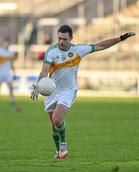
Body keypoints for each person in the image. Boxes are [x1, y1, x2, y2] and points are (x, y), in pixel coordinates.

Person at [31, 25, 135, 159]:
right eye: (59, 38)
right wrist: (38, 85)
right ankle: (59, 151)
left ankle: (63, 143)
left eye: (65, 39)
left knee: (57, 119)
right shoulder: (51, 51)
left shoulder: (78, 50)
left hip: (69, 90)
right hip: (52, 90)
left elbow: (100, 46)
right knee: (53, 126)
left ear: (71, 38)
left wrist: (120, 38)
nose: (61, 42)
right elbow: (44, 70)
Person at [0, 38, 21, 112]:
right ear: (3, 43)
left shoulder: (10, 53)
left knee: (11, 90)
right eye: (6, 43)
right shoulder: (1, 51)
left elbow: (11, 63)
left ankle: (14, 107)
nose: (7, 44)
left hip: (7, 74)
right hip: (0, 73)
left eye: (8, 43)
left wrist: (14, 70)